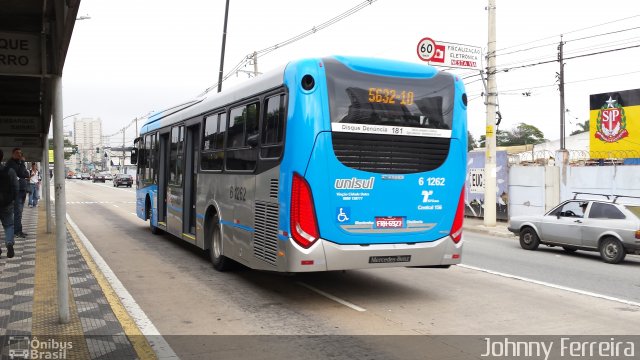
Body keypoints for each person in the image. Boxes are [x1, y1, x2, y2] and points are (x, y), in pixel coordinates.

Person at [5, 148, 29, 238]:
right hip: (16, 191)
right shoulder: (11, 163)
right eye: (17, 153)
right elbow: (20, 172)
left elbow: (26, 174)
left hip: (22, 190)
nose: (19, 155)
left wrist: (22, 169)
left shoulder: (19, 163)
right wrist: (22, 163)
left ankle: (18, 230)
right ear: (12, 154)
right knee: (17, 212)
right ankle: (17, 231)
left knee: (20, 212)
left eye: (20, 153)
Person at [0, 149, 19, 258]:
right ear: (2, 158)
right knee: (9, 225)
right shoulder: (9, 170)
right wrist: (13, 199)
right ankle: (9, 244)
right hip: (6, 203)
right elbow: (16, 187)